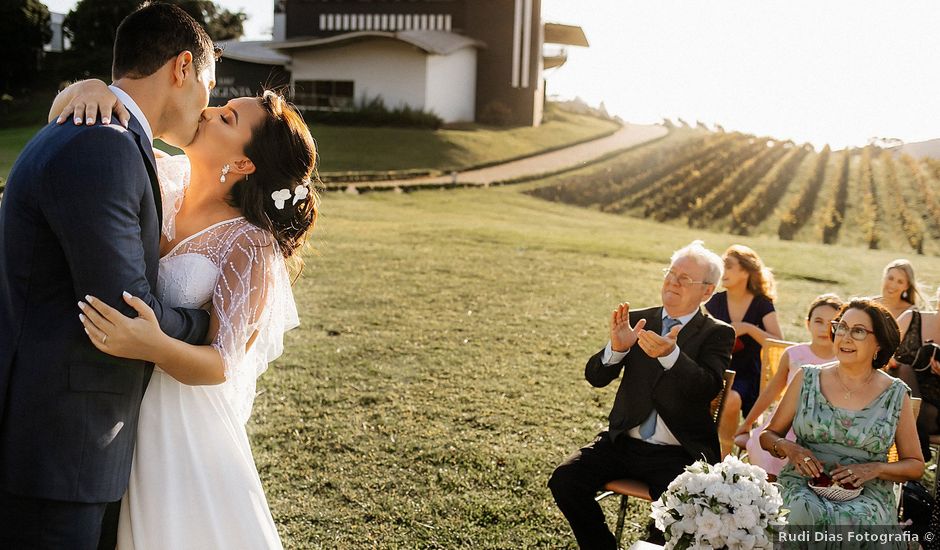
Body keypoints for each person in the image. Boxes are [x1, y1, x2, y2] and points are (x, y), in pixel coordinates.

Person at [48, 65, 319, 550]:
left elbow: (222, 363)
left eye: (229, 119)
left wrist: (153, 344)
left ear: (242, 164)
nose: (210, 111)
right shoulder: (162, 178)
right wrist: (89, 89)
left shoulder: (249, 245)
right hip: (120, 409)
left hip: (184, 426)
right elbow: (89, 125)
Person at [0, 5, 218, 548]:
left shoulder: (105, 133)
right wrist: (206, 321)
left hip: (71, 445)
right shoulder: (103, 144)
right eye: (210, 87)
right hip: (59, 447)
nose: (208, 107)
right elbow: (124, 309)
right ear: (181, 68)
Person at [548, 240, 735, 549]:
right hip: (622, 442)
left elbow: (707, 387)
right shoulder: (637, 319)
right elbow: (595, 377)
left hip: (678, 454)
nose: (673, 282)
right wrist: (616, 349)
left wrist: (672, 355)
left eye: (684, 278)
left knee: (680, 513)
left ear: (707, 291)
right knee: (565, 481)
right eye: (671, 273)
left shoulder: (717, 332)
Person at [759, 299, 924, 547]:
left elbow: (915, 466)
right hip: (802, 484)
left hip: (868, 492)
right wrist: (790, 449)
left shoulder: (896, 394)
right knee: (799, 513)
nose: (845, 337)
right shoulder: (807, 377)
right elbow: (768, 435)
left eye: (858, 331)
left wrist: (875, 469)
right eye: (842, 327)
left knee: (857, 522)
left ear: (878, 343)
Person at [734, 294, 841, 479]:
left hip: (821, 428)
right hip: (785, 422)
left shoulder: (841, 361)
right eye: (818, 321)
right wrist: (747, 423)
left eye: (831, 323)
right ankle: (769, 493)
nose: (824, 329)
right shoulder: (793, 354)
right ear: (808, 324)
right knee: (767, 446)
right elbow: (770, 392)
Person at [704, 245, 783, 457]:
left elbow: (778, 342)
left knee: (731, 399)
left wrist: (747, 328)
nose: (723, 271)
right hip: (718, 368)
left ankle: (724, 458)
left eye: (728, 266)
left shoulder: (762, 305)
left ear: (746, 271)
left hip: (750, 375)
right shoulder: (714, 301)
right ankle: (716, 455)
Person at [892, 286, 940, 459]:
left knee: (927, 413)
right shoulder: (912, 317)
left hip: (934, 408)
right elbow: (879, 351)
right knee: (904, 369)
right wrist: (893, 360)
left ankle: (913, 462)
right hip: (897, 399)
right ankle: (918, 456)